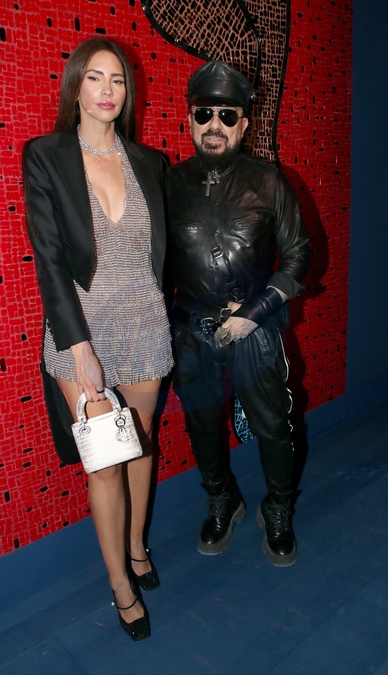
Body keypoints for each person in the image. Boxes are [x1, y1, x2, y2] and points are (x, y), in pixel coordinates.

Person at [22, 37, 173, 641]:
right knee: (107, 462)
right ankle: (120, 584)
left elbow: (162, 252)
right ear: (75, 86)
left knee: (140, 443)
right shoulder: (46, 156)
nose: (108, 90)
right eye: (95, 77)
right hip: (78, 328)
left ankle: (137, 546)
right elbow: (48, 257)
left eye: (117, 80)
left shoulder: (149, 162)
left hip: (144, 322)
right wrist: (78, 344)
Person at [164, 61, 310, 567]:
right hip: (192, 332)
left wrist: (255, 311)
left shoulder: (269, 183)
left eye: (228, 116)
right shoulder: (167, 185)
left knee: (273, 426)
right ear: (189, 119)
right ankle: (222, 499)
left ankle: (279, 508)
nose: (215, 125)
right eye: (204, 113)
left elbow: (298, 256)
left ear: (244, 124)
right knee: (202, 426)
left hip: (256, 328)